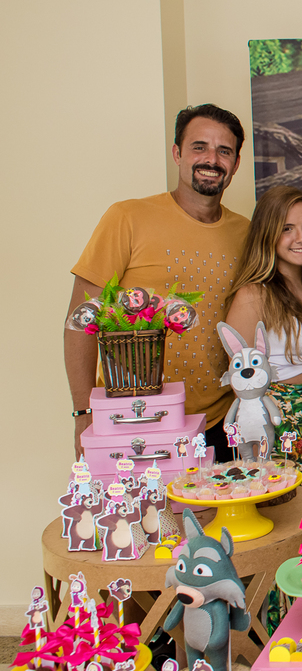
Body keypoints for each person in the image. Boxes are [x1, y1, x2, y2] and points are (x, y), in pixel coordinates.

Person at [66, 104, 250, 460]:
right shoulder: (127, 218)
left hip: (222, 421)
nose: (211, 159)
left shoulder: (246, 232)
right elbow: (79, 322)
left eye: (223, 151)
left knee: (218, 516)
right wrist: (83, 415)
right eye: (199, 147)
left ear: (235, 164)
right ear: (177, 154)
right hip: (135, 420)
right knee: (141, 517)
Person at [224, 185, 302, 508]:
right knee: (301, 525)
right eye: (287, 229)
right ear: (267, 235)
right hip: (287, 426)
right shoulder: (253, 294)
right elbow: (243, 381)